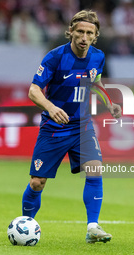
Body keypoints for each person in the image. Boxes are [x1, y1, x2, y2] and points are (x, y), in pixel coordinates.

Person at [22, 10, 122, 243]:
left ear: (95, 36)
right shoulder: (55, 57)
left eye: (89, 33)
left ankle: (93, 227)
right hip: (54, 127)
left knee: (95, 169)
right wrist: (50, 108)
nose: (84, 37)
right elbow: (33, 90)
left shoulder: (98, 57)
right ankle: (26, 223)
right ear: (71, 32)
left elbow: (94, 81)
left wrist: (109, 103)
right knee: (37, 182)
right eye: (80, 32)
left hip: (82, 126)